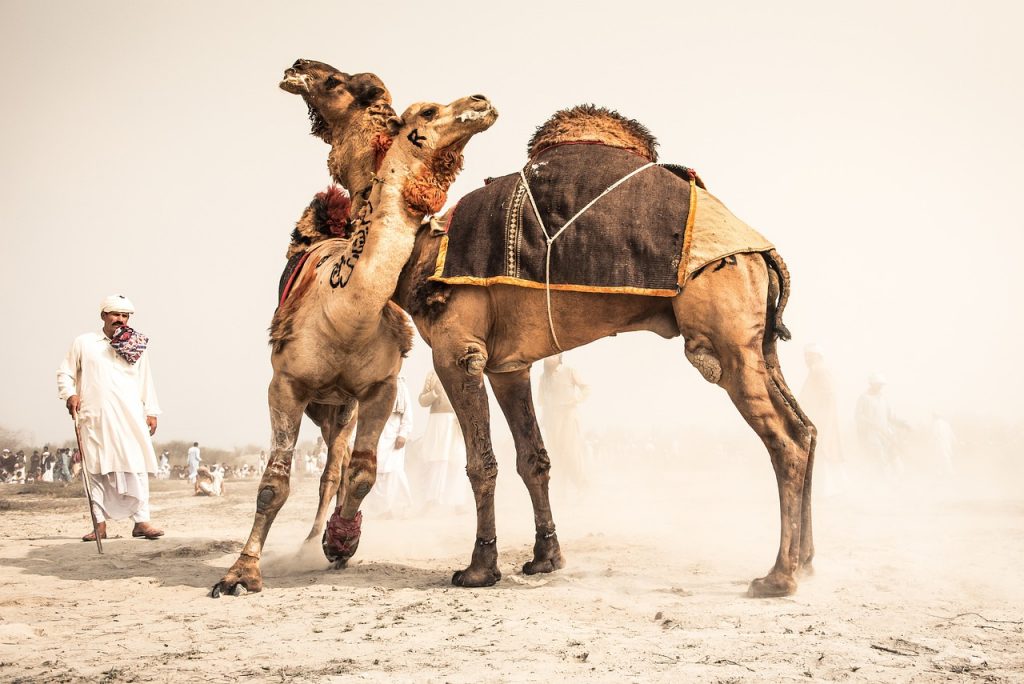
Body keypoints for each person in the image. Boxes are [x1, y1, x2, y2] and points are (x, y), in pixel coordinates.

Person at [56, 294, 164, 541]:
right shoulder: (84, 343)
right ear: (103, 315)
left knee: (136, 465)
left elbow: (146, 379)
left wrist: (151, 411)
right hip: (95, 416)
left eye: (125, 315)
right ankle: (99, 525)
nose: (120, 320)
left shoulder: (135, 344)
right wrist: (70, 395)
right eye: (115, 314)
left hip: (130, 416)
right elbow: (65, 373)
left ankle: (141, 522)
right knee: (95, 468)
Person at [416, 370, 470, 511]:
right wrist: (435, 392)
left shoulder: (464, 372)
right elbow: (422, 400)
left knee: (458, 461)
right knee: (438, 460)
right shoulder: (433, 374)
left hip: (458, 422)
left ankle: (457, 502)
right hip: (438, 422)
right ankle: (432, 500)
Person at [538, 353, 591, 495]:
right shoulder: (543, 377)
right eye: (547, 356)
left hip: (568, 417)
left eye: (553, 356)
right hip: (552, 420)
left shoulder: (569, 371)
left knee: (570, 453)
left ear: (559, 357)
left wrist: (575, 400)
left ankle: (582, 486)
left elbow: (586, 388)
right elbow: (542, 401)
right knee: (555, 456)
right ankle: (561, 493)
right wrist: (543, 419)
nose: (549, 358)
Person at [799, 344, 847, 497]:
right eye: (806, 356)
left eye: (810, 356)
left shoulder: (820, 371)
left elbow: (828, 395)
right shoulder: (815, 371)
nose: (807, 359)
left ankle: (828, 490)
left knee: (823, 451)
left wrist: (823, 420)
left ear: (818, 356)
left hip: (822, 420)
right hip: (817, 419)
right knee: (820, 453)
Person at [364, 377, 414, 517]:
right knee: (377, 472)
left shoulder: (400, 384)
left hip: (394, 435)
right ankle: (384, 510)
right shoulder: (370, 382)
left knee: (395, 473)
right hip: (375, 433)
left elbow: (408, 412)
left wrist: (403, 434)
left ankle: (404, 507)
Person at [855, 372, 903, 476]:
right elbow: (858, 416)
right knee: (878, 454)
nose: (880, 387)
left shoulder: (883, 398)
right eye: (878, 384)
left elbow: (890, 415)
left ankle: (899, 477)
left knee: (893, 453)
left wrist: (903, 424)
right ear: (872, 384)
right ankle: (883, 479)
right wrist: (869, 423)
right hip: (872, 433)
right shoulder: (864, 398)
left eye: (881, 385)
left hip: (885, 431)